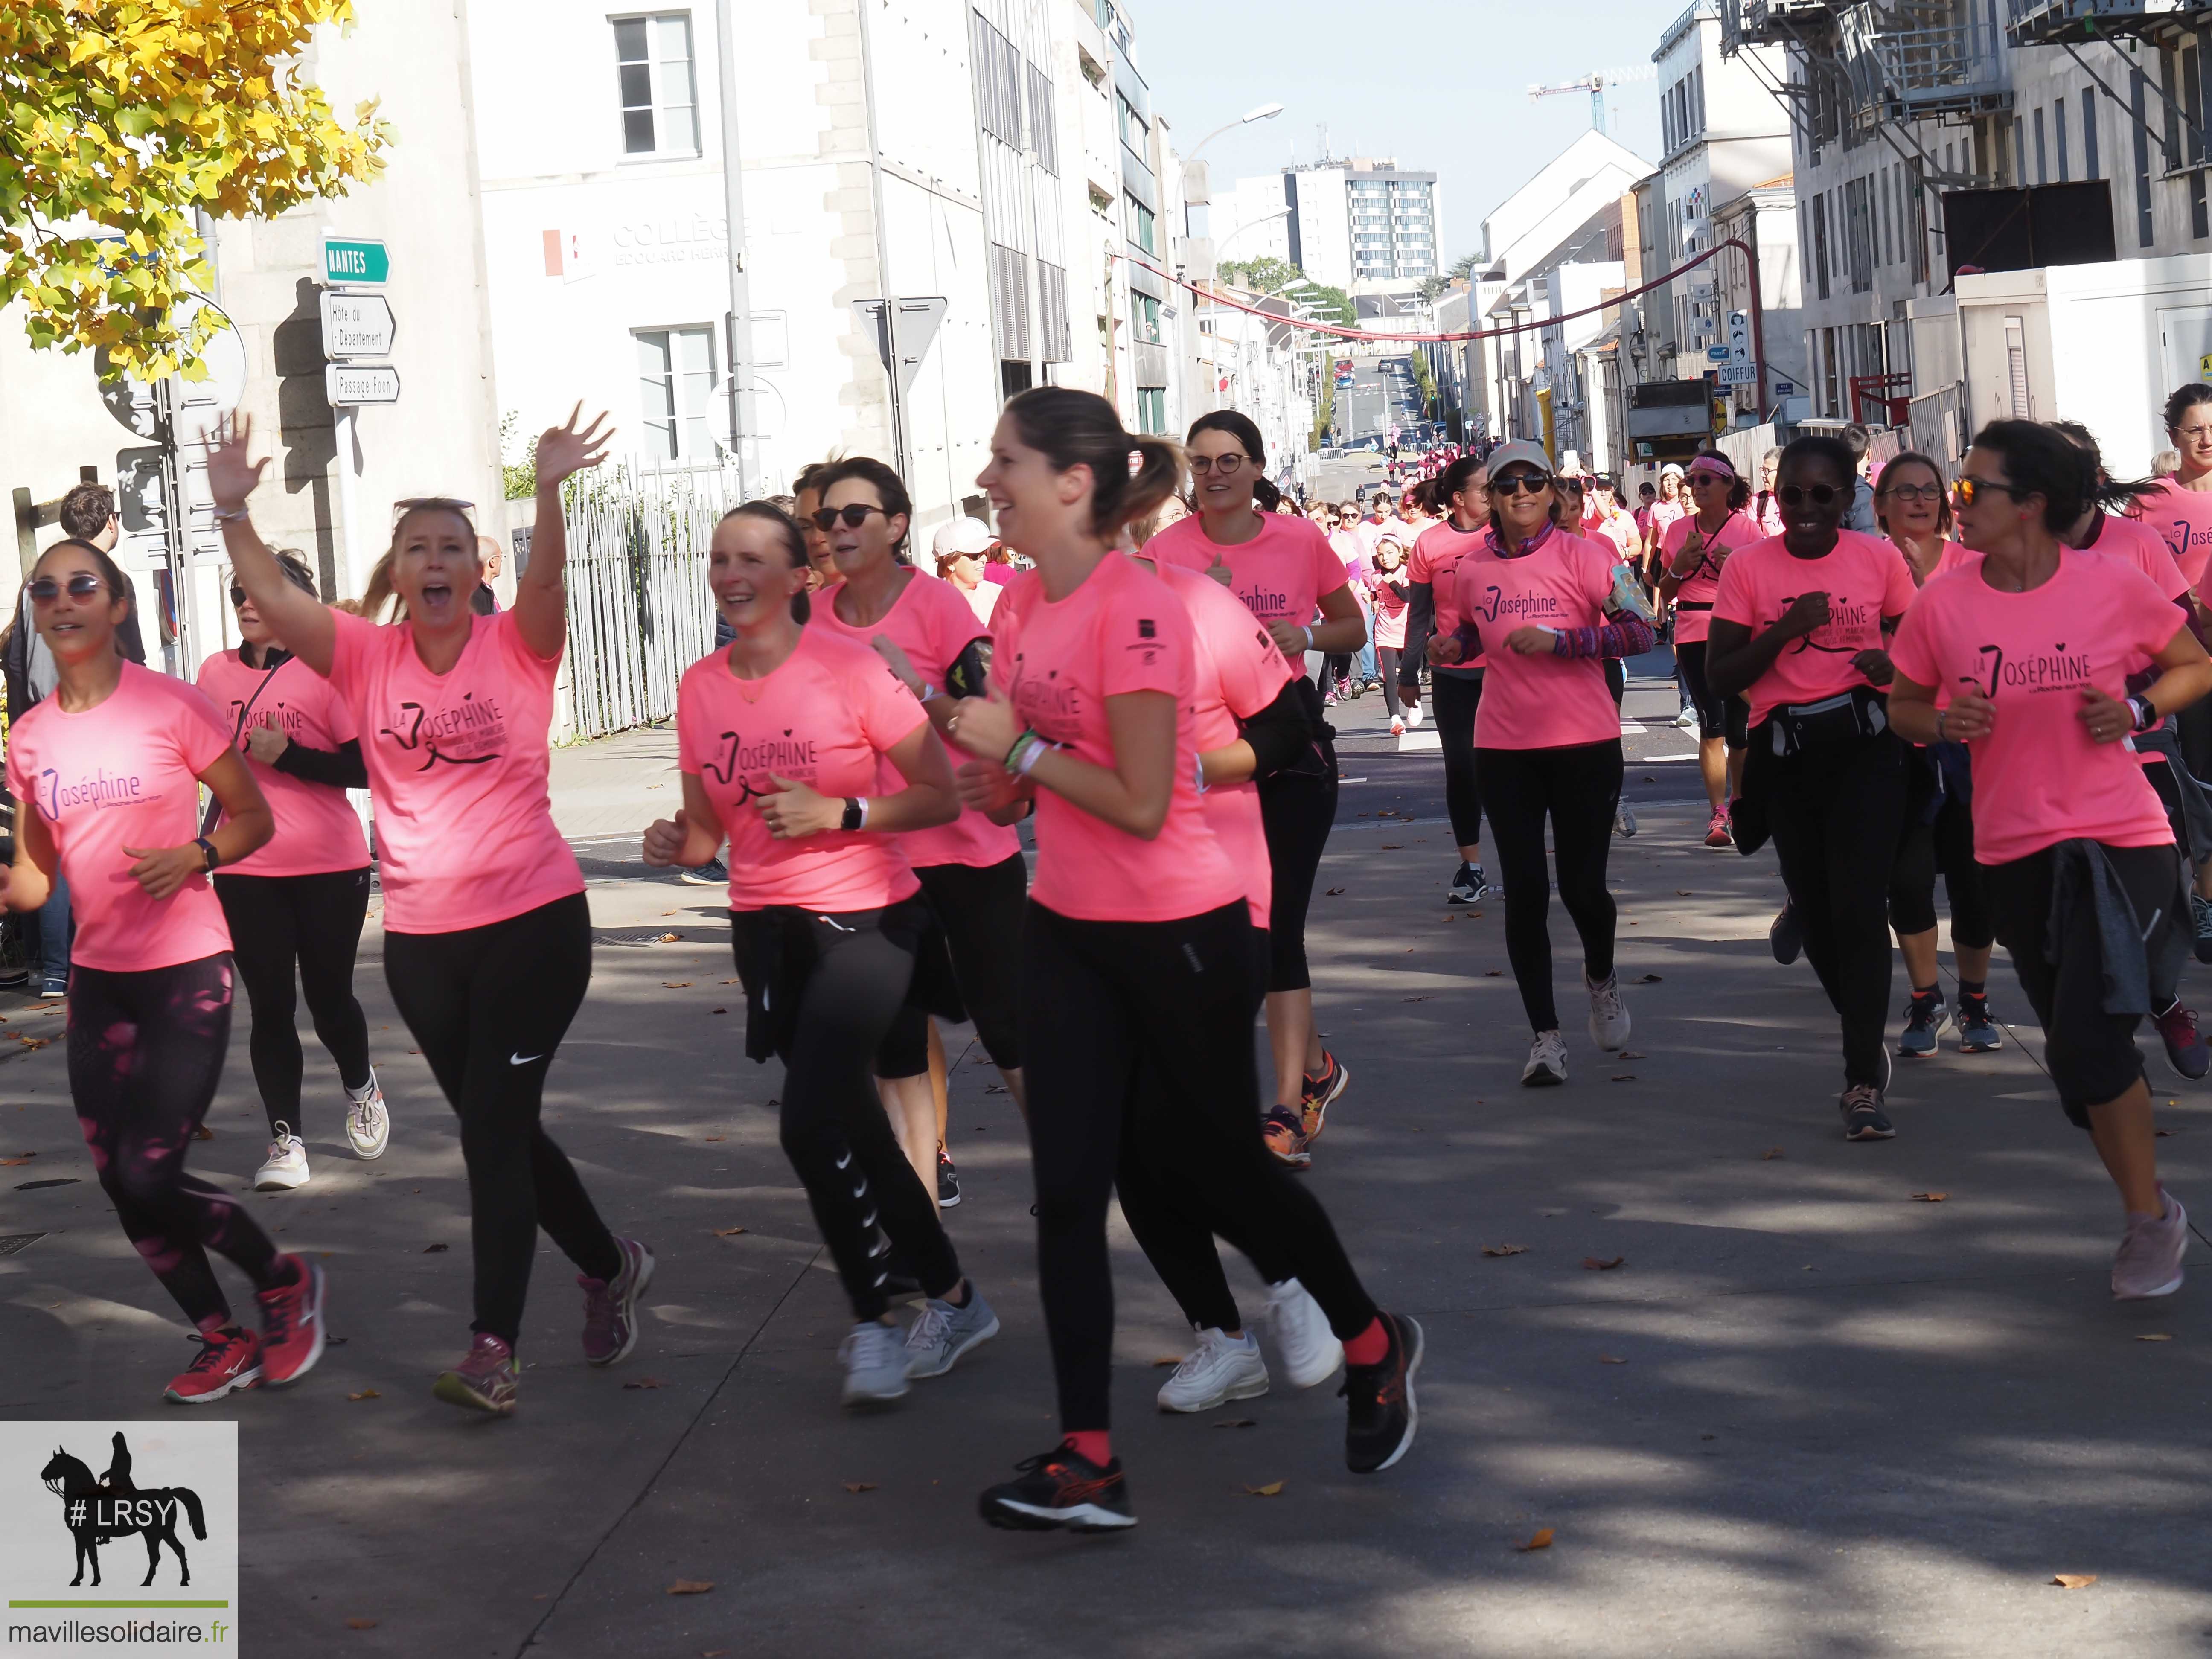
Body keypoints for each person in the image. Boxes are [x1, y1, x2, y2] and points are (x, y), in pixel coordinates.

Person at [949, 387, 1420, 1532]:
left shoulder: (1143, 611)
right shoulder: (1016, 605)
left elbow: (1147, 799)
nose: (989, 479)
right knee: (1070, 1194)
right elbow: (1034, 772)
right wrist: (993, 771)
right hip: (1063, 926)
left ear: (1072, 482)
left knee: (1217, 1171)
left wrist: (1011, 746)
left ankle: (1370, 1341)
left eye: (1006, 460)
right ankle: (1087, 1459)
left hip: (1183, 933)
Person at [209, 407, 652, 1417]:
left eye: (453, 545)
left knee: (490, 1132)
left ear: (474, 568)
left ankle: (493, 1347)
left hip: (535, 921)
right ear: (399, 574)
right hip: (420, 940)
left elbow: (547, 584)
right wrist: (233, 507)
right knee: (503, 1130)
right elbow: (273, 593)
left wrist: (546, 488)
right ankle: (608, 1263)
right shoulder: (365, 657)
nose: (436, 559)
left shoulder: (517, 643)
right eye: (419, 548)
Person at [643, 500, 998, 1404]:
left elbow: (940, 797)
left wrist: (842, 813)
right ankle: (954, 1296)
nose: (732, 575)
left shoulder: (849, 670)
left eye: (754, 558)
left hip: (872, 921)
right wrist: (672, 842)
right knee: (854, 1128)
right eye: (720, 558)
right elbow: (704, 837)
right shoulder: (699, 687)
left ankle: (873, 1322)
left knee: (808, 1124)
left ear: (800, 576)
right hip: (768, 932)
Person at [1889, 419, 2210, 1298]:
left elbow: (2192, 665)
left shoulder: (2110, 582)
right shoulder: (1946, 604)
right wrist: (1941, 722)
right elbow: (1903, 704)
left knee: (2090, 1035)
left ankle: (2149, 1222)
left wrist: (2139, 713)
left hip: (2123, 838)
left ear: (2028, 504)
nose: (1955, 504)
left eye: (1970, 490)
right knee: (2081, 1060)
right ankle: (2143, 1191)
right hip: (2013, 847)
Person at [0, 536, 326, 1403]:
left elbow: (253, 818)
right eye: (45, 590)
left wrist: (197, 853)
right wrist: (8, 886)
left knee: (149, 1170)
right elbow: (36, 879)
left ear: (116, 607)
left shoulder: (172, 707)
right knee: (120, 1180)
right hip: (98, 980)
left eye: (82, 585)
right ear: (36, 613)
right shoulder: (29, 740)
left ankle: (279, 1278)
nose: (62, 600)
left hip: (187, 967)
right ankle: (224, 1337)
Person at [1121, 523, 1344, 1412]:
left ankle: (1337, 1313)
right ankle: (1222, 1336)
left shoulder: (1196, 600)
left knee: (1197, 1136)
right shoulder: (1024, 610)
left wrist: (1176, 769)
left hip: (1214, 886)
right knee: (1127, 1146)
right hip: (1092, 905)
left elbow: (1287, 731)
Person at [810, 456, 1028, 1214]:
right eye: (826, 518)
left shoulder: (938, 607)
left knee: (1006, 1023)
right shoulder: (813, 619)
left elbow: (990, 718)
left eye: (854, 515)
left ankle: (1067, 1162)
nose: (836, 529)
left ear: (896, 524)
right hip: (869, 860)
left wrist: (916, 687)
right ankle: (922, 1188)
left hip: (965, 846)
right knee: (895, 1033)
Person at [1148, 412, 1362, 1167]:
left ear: (1257, 466)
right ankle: (1315, 1066)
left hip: (1288, 742)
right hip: (1207, 757)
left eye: (1228, 460)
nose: (1214, 474)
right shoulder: (1162, 551)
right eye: (1200, 462)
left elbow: (1353, 627)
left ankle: (1286, 1104)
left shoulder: (1298, 540)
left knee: (1279, 929)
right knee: (1234, 933)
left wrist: (1304, 637)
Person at [1708, 434, 1919, 1141]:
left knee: (1860, 910)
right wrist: (1786, 630)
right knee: (1822, 912)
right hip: (1785, 754)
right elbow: (1721, 675)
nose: (1804, 507)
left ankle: (1860, 1078)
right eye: (1791, 494)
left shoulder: (1877, 559)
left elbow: (1918, 646)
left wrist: (1887, 662)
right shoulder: (1747, 568)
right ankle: (1859, 1025)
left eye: (1821, 493)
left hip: (1865, 750)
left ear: (1847, 495)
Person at [1427, 441, 1654, 1086]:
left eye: (1534, 482)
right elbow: (1475, 630)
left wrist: (1566, 642)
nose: (1521, 493)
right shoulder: (1471, 569)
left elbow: (1641, 632)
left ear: (1553, 491)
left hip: (1584, 742)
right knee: (1525, 891)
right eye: (1507, 485)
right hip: (1504, 747)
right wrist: (1451, 645)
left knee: (1584, 889)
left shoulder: (1590, 557)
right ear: (1490, 499)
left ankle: (1602, 980)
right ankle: (1545, 1037)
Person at [195, 549, 386, 1190]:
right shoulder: (212, 675)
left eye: (260, 593)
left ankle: (361, 1088)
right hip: (245, 866)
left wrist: (294, 756)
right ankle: (287, 1142)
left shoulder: (326, 673)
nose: (246, 604)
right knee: (270, 1006)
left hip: (330, 865)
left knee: (329, 1001)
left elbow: (367, 770)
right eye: (238, 594)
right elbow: (191, 758)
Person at [1872, 453, 2002, 1059]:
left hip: (1973, 744)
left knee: (1975, 884)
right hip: (1902, 741)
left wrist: (1926, 587)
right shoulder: (1866, 566)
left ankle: (1974, 999)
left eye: (1930, 491)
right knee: (1909, 880)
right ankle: (1927, 999)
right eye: (1905, 492)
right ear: (1880, 507)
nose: (1921, 501)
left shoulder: (1977, 567)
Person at [1656, 454, 1763, 849]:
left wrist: (1735, 564)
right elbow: (1665, 591)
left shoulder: (1747, 530)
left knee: (1740, 728)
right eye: (1692, 480)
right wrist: (1681, 565)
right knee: (1712, 724)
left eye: (1705, 480)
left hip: (1737, 630)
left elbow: (1765, 587)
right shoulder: (1677, 530)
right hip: (1693, 630)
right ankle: (1718, 811)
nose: (1696, 486)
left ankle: (1739, 803)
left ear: (1727, 486)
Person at [1405, 455, 1494, 903]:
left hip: (1503, 672)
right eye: (1485, 489)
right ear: (1459, 499)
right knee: (1462, 768)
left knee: (1508, 769)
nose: (1494, 495)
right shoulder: (1430, 543)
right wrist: (1407, 672)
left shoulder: (1506, 535)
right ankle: (1472, 867)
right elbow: (1419, 613)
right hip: (1452, 676)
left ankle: (1522, 858)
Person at [1373, 536, 1413, 736]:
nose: (1385, 558)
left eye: (1389, 553)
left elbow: (1408, 597)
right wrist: (1371, 599)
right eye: (1381, 554)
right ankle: (1395, 720)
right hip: (1385, 632)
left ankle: (1414, 704)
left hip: (1407, 632)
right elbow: (1375, 594)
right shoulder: (1376, 576)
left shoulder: (1407, 572)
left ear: (1399, 552)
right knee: (1389, 677)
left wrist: (1393, 583)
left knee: (1408, 675)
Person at [932, 516, 1001, 626]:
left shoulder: (999, 596)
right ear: (950, 563)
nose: (984, 559)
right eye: (975, 555)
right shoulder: (930, 606)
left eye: (985, 552)